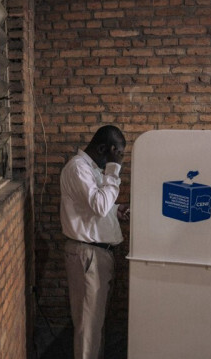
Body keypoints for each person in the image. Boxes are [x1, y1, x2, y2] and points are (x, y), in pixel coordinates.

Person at [60, 125, 130, 359]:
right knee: (88, 329)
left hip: (97, 256)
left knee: (95, 326)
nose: (118, 159)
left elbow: (97, 206)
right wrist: (114, 169)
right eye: (117, 153)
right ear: (104, 149)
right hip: (87, 256)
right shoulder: (78, 168)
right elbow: (99, 205)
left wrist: (117, 210)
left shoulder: (91, 170)